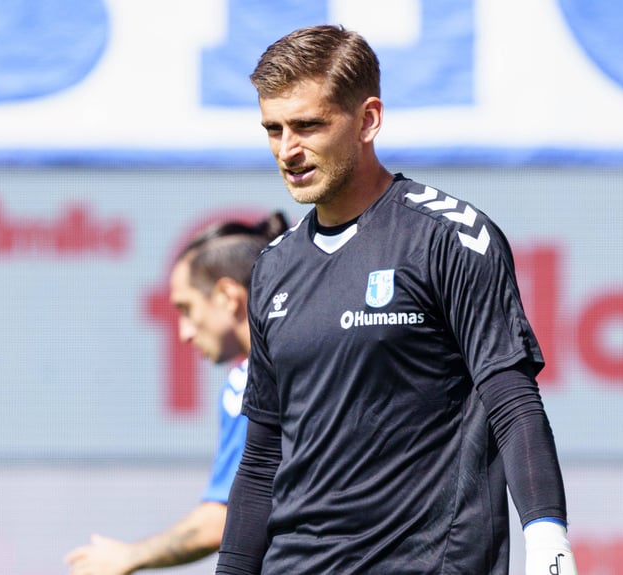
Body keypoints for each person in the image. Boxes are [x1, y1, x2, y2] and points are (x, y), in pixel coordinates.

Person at [215, 25, 577, 575]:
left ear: (368, 120)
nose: (288, 150)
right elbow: (263, 454)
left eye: (308, 126)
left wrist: (549, 539)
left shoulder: (448, 236)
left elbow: (513, 402)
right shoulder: (273, 266)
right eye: (274, 129)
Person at [64, 212, 289, 575]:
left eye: (186, 308)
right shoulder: (313, 361)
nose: (184, 332)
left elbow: (225, 518)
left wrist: (128, 557)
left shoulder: (246, 383)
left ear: (228, 296)